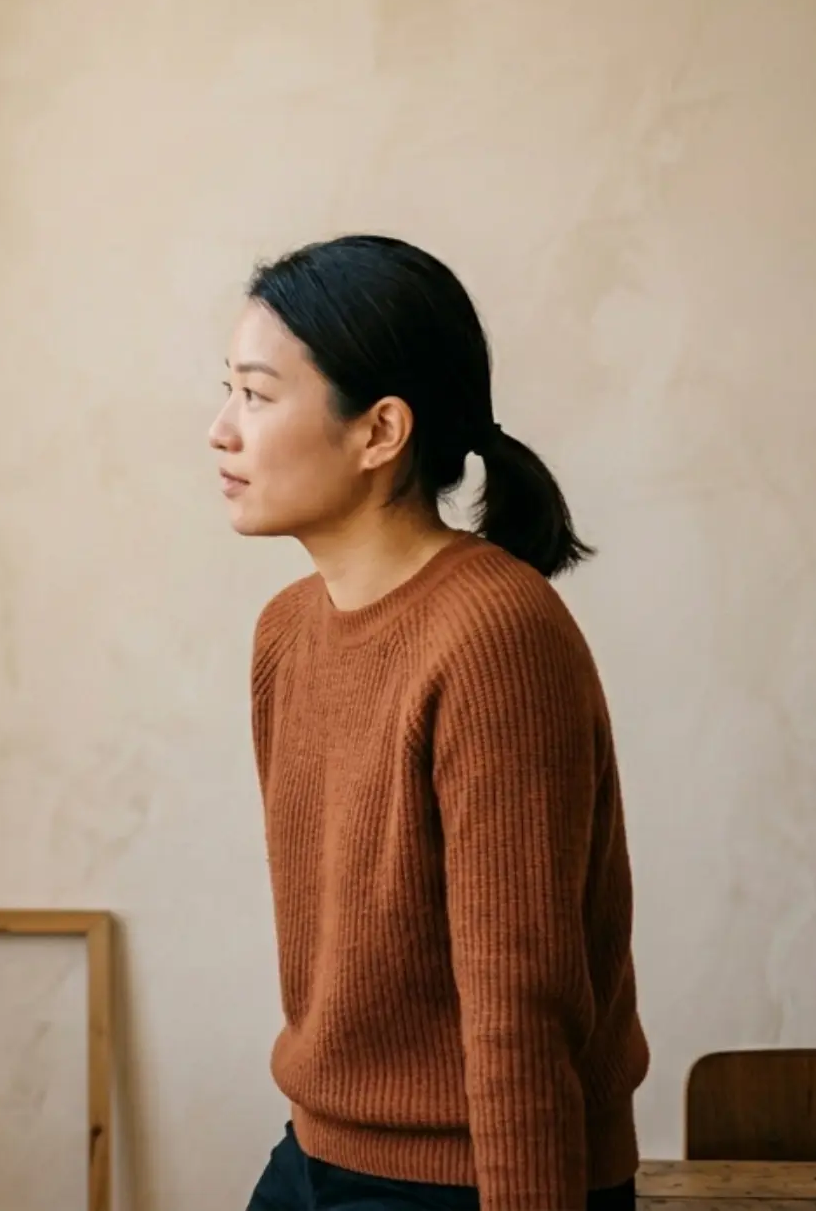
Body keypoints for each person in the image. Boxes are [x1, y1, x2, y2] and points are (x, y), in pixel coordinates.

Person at [211, 236, 650, 1211]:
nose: (221, 431)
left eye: (255, 393)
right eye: (229, 391)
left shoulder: (495, 633)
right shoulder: (286, 632)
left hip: (476, 1178)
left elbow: (517, 1004)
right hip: (318, 1153)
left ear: (380, 432)